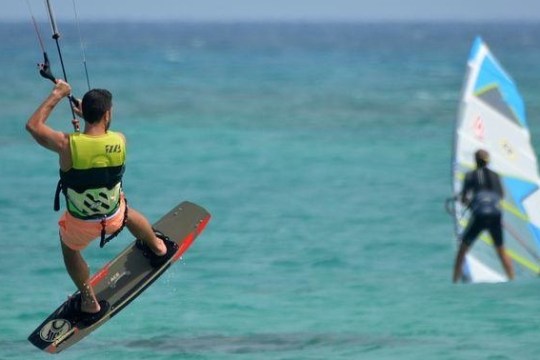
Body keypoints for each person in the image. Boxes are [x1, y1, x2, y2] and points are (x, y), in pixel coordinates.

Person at [26, 80, 177, 322]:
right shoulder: (120, 140)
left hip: (81, 225)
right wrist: (86, 118)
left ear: (86, 113)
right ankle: (158, 247)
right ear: (107, 114)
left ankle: (89, 302)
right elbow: (98, 142)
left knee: (70, 251)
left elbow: (33, 126)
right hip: (115, 217)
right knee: (128, 212)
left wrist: (57, 94)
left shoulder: (66, 145)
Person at [452, 149, 514, 282]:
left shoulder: (470, 175)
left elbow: (463, 198)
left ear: (475, 161)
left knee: (462, 250)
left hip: (480, 214)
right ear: (488, 161)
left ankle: (455, 281)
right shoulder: (495, 175)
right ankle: (512, 279)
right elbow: (500, 196)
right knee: (501, 250)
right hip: (495, 214)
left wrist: (472, 203)